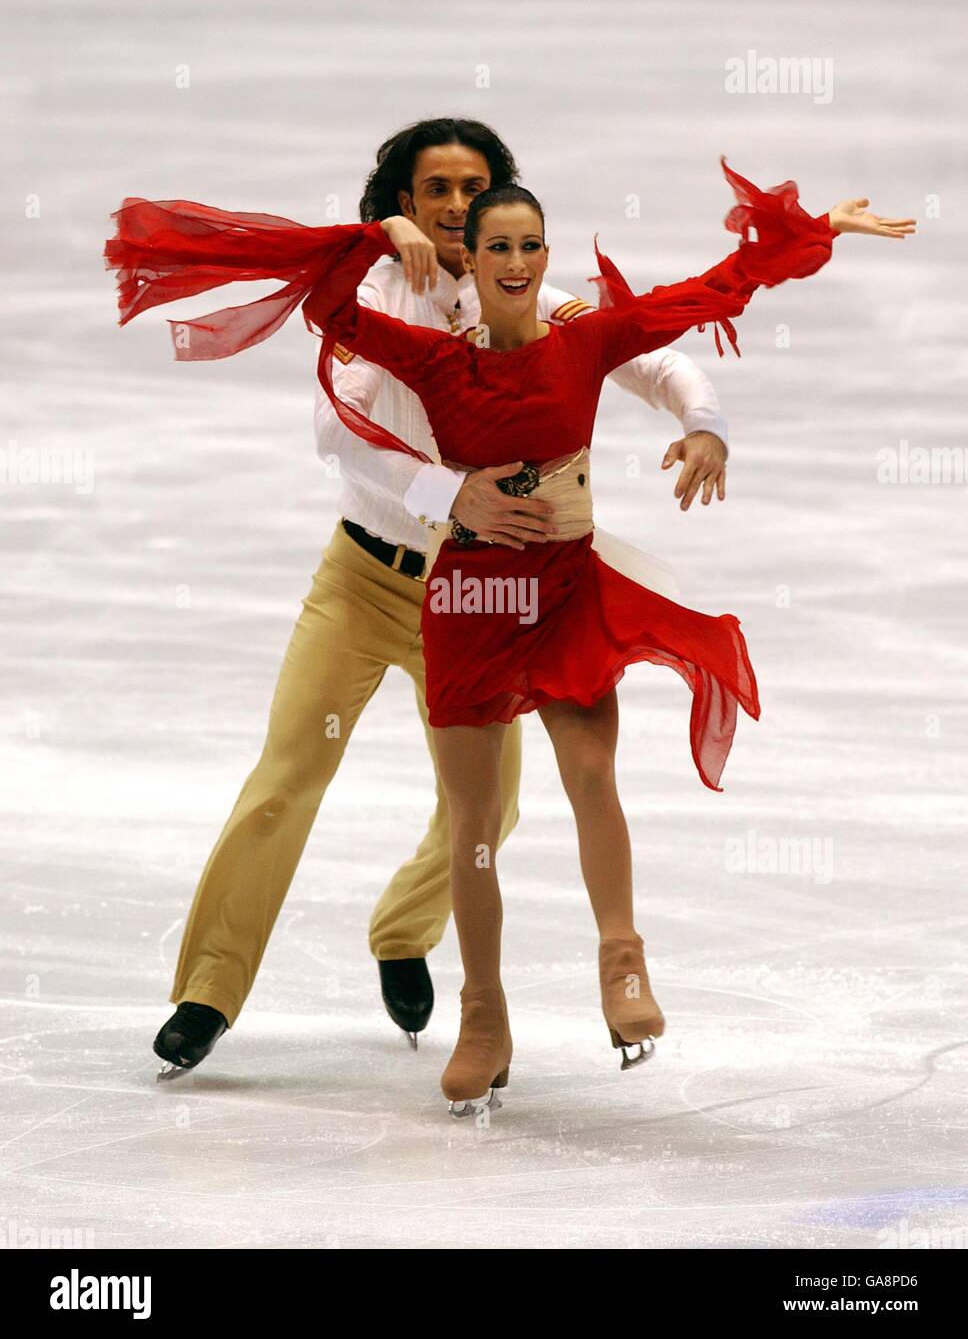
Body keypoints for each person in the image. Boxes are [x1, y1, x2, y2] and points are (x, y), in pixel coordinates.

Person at [105, 154, 914, 1113]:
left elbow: (690, 313)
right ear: (412, 208)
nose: (475, 225)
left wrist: (718, 403)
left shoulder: (566, 320)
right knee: (324, 780)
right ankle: (287, 997)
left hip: (554, 593)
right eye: (447, 203)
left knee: (537, 797)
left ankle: (535, 952)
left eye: (503, 221)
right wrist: (375, 252)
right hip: (400, 584)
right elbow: (338, 416)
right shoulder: (404, 319)